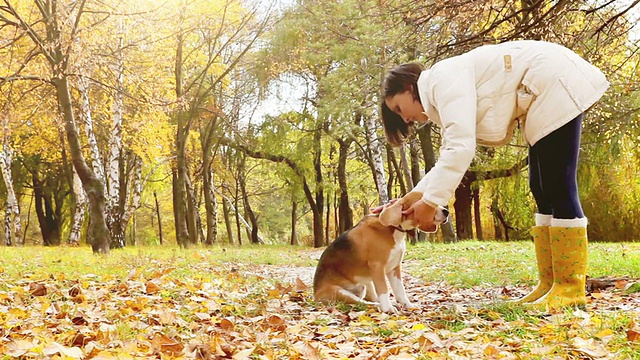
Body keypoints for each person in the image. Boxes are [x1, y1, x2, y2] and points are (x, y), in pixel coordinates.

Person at [378, 40, 609, 310]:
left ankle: (570, 290)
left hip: (554, 81)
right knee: (541, 187)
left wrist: (430, 203)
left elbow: (460, 149)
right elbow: (448, 155)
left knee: (558, 184)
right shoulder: (442, 93)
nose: (404, 119)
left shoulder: (442, 80)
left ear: (408, 87)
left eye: (398, 108)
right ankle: (550, 284)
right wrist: (410, 199)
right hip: (543, 88)